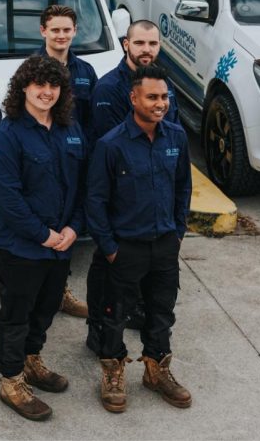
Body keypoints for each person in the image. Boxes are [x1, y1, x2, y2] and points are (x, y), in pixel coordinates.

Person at [0, 55, 87, 421]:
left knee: (46, 308)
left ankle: (31, 359)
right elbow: (7, 198)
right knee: (17, 314)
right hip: (21, 247)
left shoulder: (70, 129)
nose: (47, 92)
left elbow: (80, 184)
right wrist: (44, 235)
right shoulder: (4, 135)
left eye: (53, 85)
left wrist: (73, 228)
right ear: (23, 87)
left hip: (61, 243)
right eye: (39, 85)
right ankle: (11, 380)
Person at [86, 65, 192, 413]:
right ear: (134, 98)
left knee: (161, 312)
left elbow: (182, 188)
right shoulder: (111, 144)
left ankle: (156, 370)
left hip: (164, 244)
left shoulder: (176, 137)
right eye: (152, 97)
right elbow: (96, 200)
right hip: (125, 248)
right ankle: (113, 373)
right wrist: (110, 248)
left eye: (164, 97)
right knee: (114, 315)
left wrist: (177, 232)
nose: (160, 103)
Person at [86, 19, 181, 348]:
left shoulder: (164, 86)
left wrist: (176, 229)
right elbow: (109, 147)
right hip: (120, 201)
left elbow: (175, 144)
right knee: (106, 273)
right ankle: (98, 330)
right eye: (140, 43)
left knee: (149, 290)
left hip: (155, 213)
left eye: (152, 44)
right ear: (126, 43)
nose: (146, 50)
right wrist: (111, 242)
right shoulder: (108, 89)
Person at [36, 4, 96, 320]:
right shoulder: (32, 68)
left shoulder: (85, 72)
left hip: (76, 159)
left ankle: (60, 291)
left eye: (66, 29)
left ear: (74, 32)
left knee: (69, 225)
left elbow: (93, 120)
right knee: (43, 223)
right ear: (43, 31)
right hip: (43, 161)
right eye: (55, 29)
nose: (61, 35)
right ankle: (42, 291)